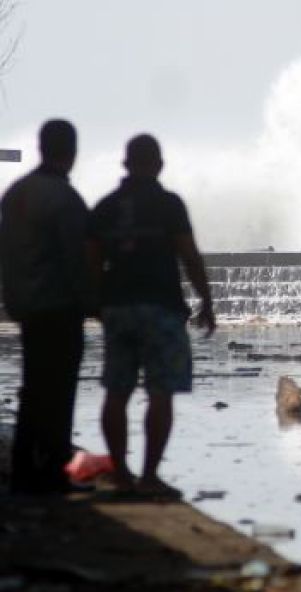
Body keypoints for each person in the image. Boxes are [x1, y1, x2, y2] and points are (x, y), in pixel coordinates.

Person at [86, 134, 215, 496]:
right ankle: (149, 476)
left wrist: (96, 304)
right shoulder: (169, 204)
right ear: (159, 164)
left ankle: (122, 475)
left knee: (116, 391)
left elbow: (92, 262)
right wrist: (207, 301)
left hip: (118, 309)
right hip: (161, 308)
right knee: (161, 393)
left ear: (125, 164)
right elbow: (188, 255)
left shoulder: (106, 207)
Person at [0, 119, 90, 494]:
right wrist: (93, 304)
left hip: (25, 305)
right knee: (59, 390)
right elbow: (77, 260)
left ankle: (23, 465)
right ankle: (52, 468)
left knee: (33, 386)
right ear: (71, 152)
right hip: (59, 308)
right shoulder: (64, 199)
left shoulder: (15, 193)